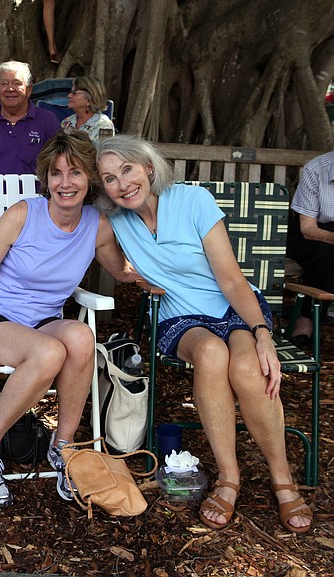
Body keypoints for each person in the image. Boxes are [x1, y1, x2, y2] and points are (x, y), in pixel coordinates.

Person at [92, 135, 312, 534]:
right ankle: (230, 477)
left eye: (127, 169)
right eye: (109, 178)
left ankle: (283, 479)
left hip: (233, 306)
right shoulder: (111, 220)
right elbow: (92, 246)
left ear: (149, 168)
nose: (121, 184)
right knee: (211, 353)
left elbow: (229, 279)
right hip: (180, 317)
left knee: (247, 368)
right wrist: (134, 278)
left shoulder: (193, 201)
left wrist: (262, 333)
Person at [0, 131, 139, 507]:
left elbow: (124, 271)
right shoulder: (23, 215)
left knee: (83, 337)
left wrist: (172, 274)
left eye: (75, 173)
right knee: (49, 352)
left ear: (90, 178)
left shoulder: (97, 226)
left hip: (41, 324)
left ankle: (64, 448)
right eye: (56, 174)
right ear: (46, 179)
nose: (65, 183)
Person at [0, 61, 60, 176]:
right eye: (4, 83)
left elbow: (58, 164)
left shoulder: (47, 120)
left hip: (37, 193)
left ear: (29, 89)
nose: (10, 89)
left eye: (17, 83)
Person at [286, 150, 334, 348]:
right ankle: (306, 319)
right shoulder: (316, 169)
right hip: (311, 230)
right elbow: (308, 229)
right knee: (326, 256)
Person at [60, 76, 114, 142]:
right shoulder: (67, 122)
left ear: (89, 100)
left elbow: (105, 150)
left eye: (74, 93)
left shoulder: (104, 125)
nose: (69, 95)